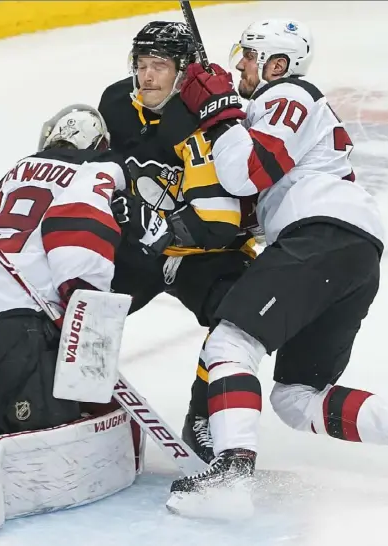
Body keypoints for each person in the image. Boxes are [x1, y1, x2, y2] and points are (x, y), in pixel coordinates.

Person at [167, 19, 388, 510]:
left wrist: (221, 115)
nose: (238, 66)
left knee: (230, 341)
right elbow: (252, 196)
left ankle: (232, 472)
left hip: (321, 236)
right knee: (297, 397)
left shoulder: (288, 93)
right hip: (350, 249)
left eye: (248, 56)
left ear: (278, 63)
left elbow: (246, 172)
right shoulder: (280, 110)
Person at [0, 104, 143, 533]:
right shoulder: (90, 172)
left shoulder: (14, 173)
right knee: (54, 428)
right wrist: (84, 305)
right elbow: (77, 231)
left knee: (12, 400)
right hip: (11, 323)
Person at [97, 21, 259, 463]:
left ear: (184, 71)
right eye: (142, 65)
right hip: (137, 248)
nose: (147, 76)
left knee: (240, 317)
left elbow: (225, 218)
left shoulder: (206, 115)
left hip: (206, 253)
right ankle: (70, 403)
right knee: (81, 307)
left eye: (160, 67)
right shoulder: (114, 103)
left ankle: (204, 415)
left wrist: (165, 231)